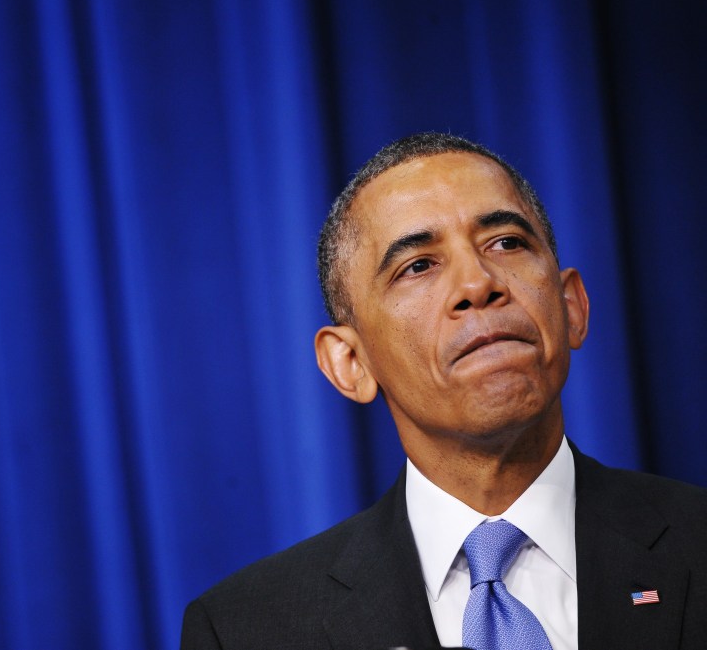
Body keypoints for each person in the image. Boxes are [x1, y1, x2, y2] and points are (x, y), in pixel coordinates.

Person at [179, 133, 707, 650]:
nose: (478, 284)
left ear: (571, 307)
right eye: (418, 266)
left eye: (507, 242)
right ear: (352, 363)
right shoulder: (248, 629)